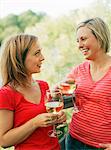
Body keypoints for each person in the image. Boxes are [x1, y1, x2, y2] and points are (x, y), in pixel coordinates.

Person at [0, 34, 66, 150]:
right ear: (19, 58)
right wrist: (34, 123)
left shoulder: (43, 85)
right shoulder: (6, 94)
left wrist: (58, 119)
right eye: (37, 53)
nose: (42, 57)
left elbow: (48, 125)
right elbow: (4, 141)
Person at [64, 17, 111, 150]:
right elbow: (58, 95)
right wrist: (57, 91)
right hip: (73, 141)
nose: (79, 45)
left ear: (100, 37)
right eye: (77, 41)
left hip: (102, 146)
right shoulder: (79, 70)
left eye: (83, 39)